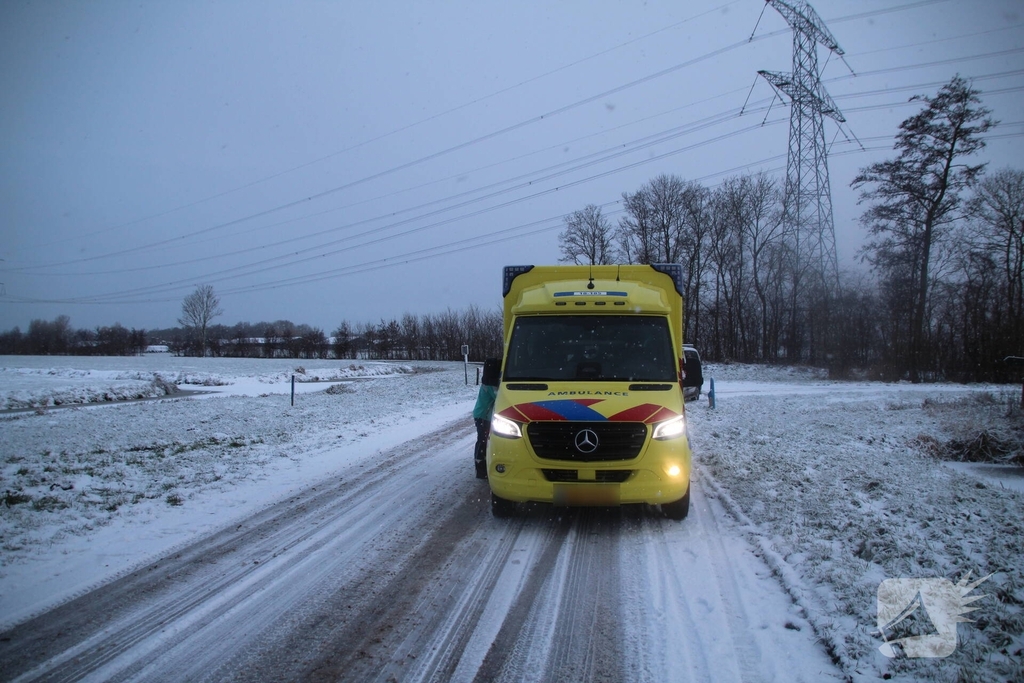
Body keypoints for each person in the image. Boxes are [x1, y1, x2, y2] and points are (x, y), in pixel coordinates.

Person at [473, 358, 500, 479]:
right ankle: (481, 469)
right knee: (483, 441)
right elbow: (499, 396)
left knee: (485, 440)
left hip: (484, 415)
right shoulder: (489, 386)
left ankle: (483, 466)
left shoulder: (488, 382)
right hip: (483, 416)